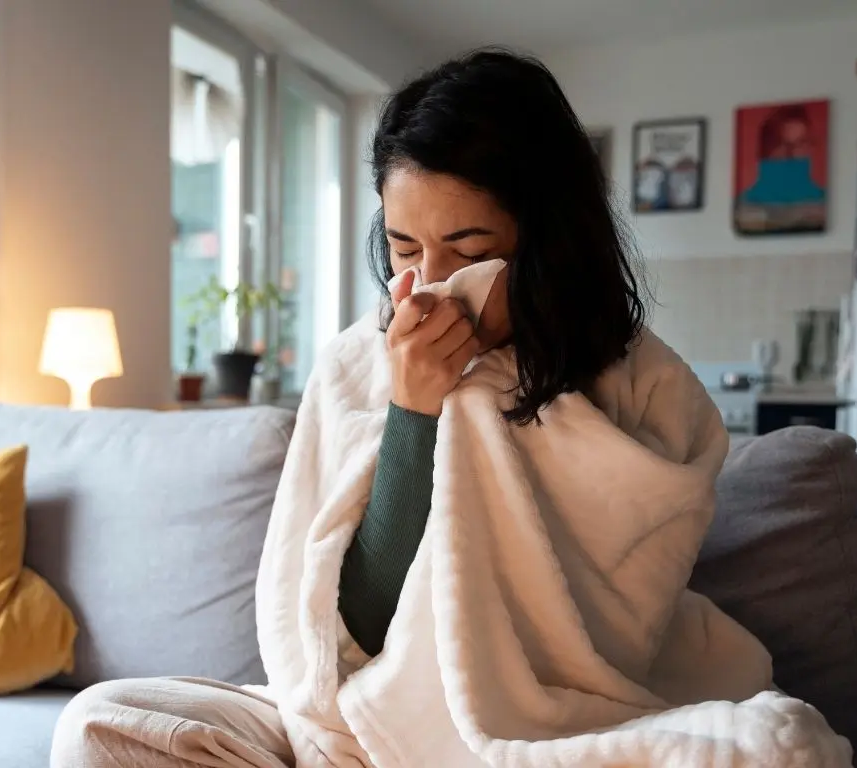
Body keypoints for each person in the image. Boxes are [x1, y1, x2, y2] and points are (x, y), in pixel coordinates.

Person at [50, 48, 696, 768]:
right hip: (352, 716)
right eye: (403, 247)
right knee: (104, 724)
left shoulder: (640, 383)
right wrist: (412, 412)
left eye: (467, 248)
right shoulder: (359, 363)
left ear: (546, 241)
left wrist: (480, 406)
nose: (428, 284)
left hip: (528, 732)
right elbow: (351, 631)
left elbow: (610, 636)